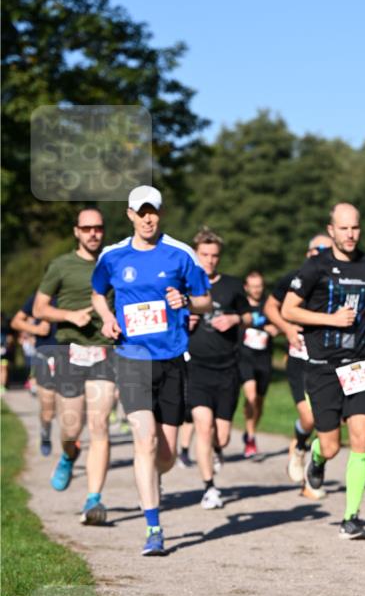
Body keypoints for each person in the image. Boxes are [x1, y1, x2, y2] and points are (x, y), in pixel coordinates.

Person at [91, 186, 211, 555]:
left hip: (172, 359)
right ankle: (153, 528)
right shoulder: (113, 256)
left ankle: (154, 478)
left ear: (160, 213)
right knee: (145, 441)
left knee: (167, 454)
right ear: (129, 214)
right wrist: (109, 318)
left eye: (153, 211)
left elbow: (206, 300)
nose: (147, 218)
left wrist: (187, 300)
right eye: (141, 212)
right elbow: (98, 292)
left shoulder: (180, 254)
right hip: (131, 359)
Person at [282, 203, 365, 539]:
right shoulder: (315, 267)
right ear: (331, 230)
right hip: (322, 367)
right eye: (343, 229)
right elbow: (288, 309)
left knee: (362, 438)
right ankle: (315, 456)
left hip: (358, 363)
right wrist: (331, 319)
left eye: (355, 228)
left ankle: (351, 517)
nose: (350, 234)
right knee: (331, 447)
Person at [33, 207, 116, 523]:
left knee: (100, 424)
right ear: (76, 231)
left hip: (104, 352)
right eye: (87, 228)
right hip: (70, 351)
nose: (94, 233)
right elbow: (40, 308)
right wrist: (69, 316)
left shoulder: (113, 263)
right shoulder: (61, 265)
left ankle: (94, 500)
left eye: (98, 228)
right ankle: (69, 455)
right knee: (70, 428)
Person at [186, 227, 252, 509]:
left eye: (214, 255)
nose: (210, 260)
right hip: (196, 367)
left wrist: (235, 319)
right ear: (195, 255)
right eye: (204, 255)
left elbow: (250, 316)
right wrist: (183, 323)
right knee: (202, 426)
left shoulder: (233, 285)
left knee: (221, 436)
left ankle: (216, 451)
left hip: (227, 368)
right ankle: (209, 487)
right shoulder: (184, 285)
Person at [264, 233, 333, 486]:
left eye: (327, 249)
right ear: (308, 253)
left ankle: (315, 458)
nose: (321, 253)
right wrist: (287, 328)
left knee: (331, 420)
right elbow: (270, 307)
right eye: (317, 249)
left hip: (329, 359)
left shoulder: (337, 281)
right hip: (300, 357)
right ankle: (300, 445)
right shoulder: (294, 278)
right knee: (309, 418)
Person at [11, 293, 58, 455]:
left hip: (71, 357)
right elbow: (16, 322)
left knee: (71, 407)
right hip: (44, 356)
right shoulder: (40, 297)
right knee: (48, 409)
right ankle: (45, 432)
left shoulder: (75, 292)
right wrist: (36, 329)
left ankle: (71, 449)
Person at [238, 271, 279, 458]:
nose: (256, 290)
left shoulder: (268, 306)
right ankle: (252, 440)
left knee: (259, 402)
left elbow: (281, 323)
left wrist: (275, 329)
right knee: (252, 396)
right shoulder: (240, 305)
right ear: (246, 288)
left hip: (264, 358)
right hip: (244, 357)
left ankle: (250, 430)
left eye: (259, 286)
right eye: (253, 286)